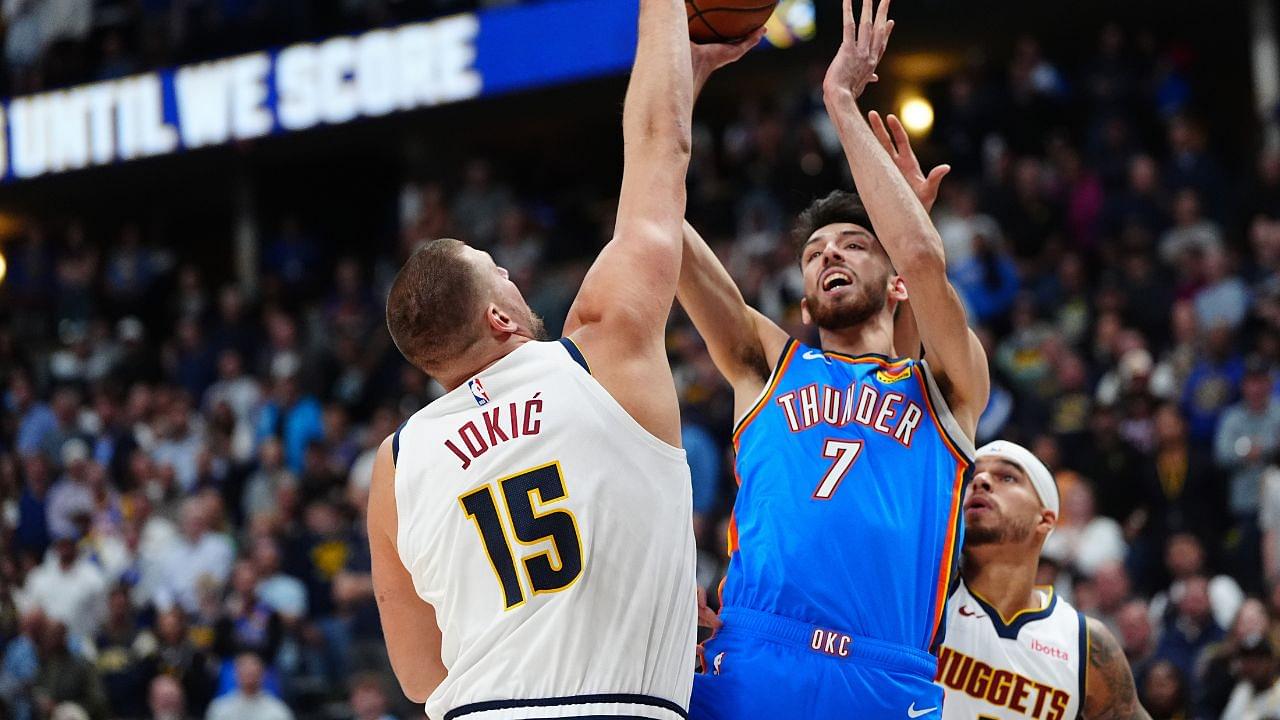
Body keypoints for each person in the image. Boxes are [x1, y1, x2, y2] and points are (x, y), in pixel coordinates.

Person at [367, 5, 763, 719]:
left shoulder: (394, 465)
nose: (514, 275)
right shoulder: (602, 350)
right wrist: (672, 28)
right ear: (497, 317)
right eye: (501, 273)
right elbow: (660, 147)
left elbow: (422, 676)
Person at [684, 1, 989, 716]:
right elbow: (656, 229)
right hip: (756, 655)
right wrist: (689, 79)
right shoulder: (767, 365)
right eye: (815, 253)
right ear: (802, 295)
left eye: (854, 245)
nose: (829, 258)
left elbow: (922, 255)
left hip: (886, 673)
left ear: (896, 284)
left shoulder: (946, 387)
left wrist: (840, 100)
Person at [936, 440, 1151, 719]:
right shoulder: (924, 597)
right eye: (971, 477)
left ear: (1045, 520)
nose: (982, 481)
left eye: (1007, 477)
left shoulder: (1084, 642)